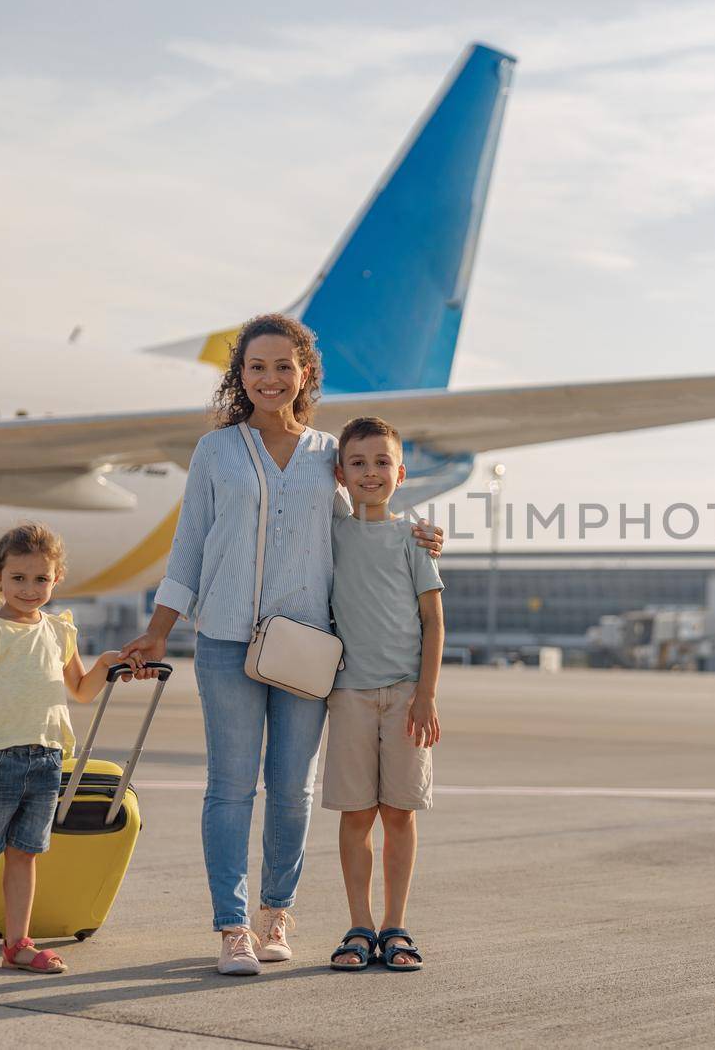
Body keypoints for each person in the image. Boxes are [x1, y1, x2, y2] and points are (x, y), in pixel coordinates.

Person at [118, 313, 442, 976]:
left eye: (283, 365)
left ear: (304, 373)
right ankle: (233, 926)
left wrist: (424, 537)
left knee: (292, 790)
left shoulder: (329, 453)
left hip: (307, 648)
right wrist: (160, 627)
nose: (270, 378)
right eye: (256, 366)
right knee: (231, 788)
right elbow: (190, 543)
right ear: (240, 376)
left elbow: (365, 531)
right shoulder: (215, 450)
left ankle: (276, 914)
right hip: (225, 642)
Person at [0, 523, 121, 978]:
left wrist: (105, 665)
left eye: (40, 579)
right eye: (18, 578)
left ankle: (18, 943)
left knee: (25, 854)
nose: (30, 588)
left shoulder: (60, 631)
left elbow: (79, 689)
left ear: (56, 579)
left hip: (48, 760)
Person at [324, 416, 443, 973]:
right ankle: (358, 926)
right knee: (356, 814)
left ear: (401, 471)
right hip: (347, 693)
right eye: (357, 463)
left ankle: (395, 925)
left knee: (399, 813)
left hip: (404, 697)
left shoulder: (415, 537)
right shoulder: (331, 532)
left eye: (381, 463)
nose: (370, 473)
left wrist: (426, 695)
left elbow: (433, 622)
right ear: (341, 474)